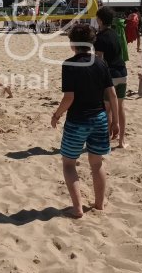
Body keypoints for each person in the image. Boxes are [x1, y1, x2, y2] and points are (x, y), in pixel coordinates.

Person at [51, 23, 119, 218]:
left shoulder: (69, 64)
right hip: (99, 118)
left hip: (77, 121)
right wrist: (114, 121)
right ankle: (99, 205)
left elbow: (69, 98)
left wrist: (56, 115)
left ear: (73, 43)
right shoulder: (101, 63)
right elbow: (112, 94)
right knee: (97, 164)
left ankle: (78, 208)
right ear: (91, 42)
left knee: (69, 164)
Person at [95, 6, 128, 149]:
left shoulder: (100, 37)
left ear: (100, 20)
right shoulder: (115, 33)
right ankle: (121, 142)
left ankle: (106, 140)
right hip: (123, 72)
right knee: (120, 107)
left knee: (106, 108)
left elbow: (99, 59)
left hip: (111, 75)